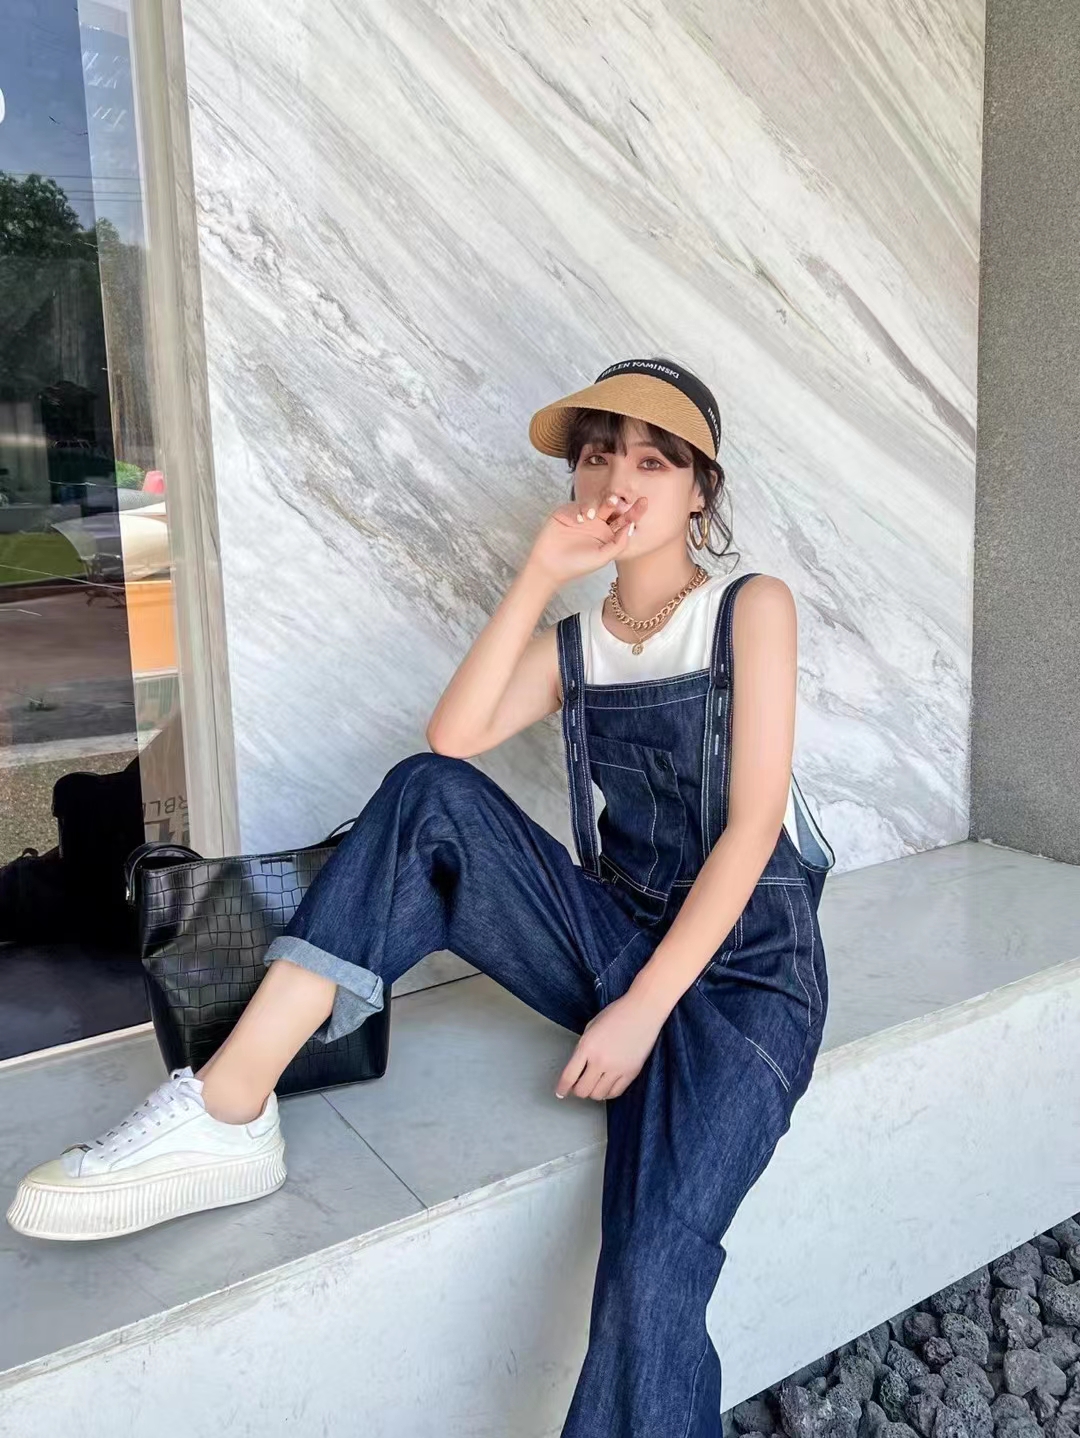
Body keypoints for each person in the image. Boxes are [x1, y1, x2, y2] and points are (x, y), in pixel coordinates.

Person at [7, 355, 835, 1436]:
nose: (617, 481)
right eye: (598, 457)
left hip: (745, 971)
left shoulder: (749, 608)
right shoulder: (580, 643)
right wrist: (540, 574)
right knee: (429, 794)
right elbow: (454, 738)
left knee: (650, 1271)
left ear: (699, 490)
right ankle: (227, 1110)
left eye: (651, 461)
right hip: (620, 930)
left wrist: (641, 1010)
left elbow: (753, 828)